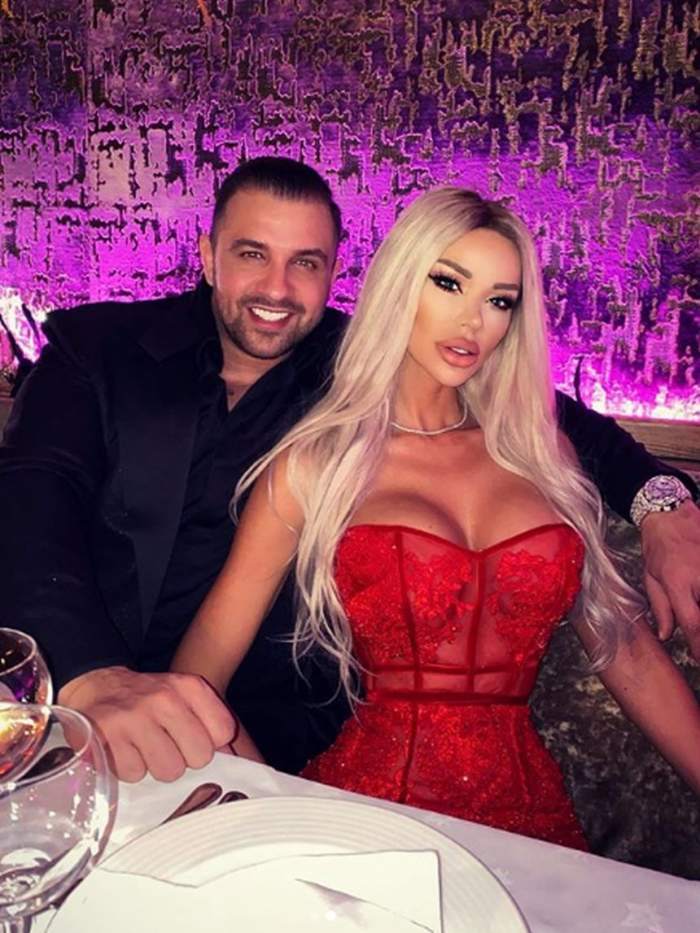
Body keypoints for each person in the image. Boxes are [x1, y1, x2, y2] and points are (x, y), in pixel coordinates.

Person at [1, 159, 698, 785]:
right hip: (77, 695)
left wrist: (661, 502)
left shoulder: (361, 362)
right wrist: (90, 673)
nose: (277, 287)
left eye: (306, 262)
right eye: (252, 254)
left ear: (336, 274)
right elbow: (30, 502)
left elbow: (550, 417)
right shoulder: (97, 349)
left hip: (269, 738)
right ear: (209, 256)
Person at [171, 187, 700, 847]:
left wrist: (664, 503)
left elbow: (625, 647)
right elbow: (197, 676)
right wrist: (278, 810)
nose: (473, 321)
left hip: (531, 823)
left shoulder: (540, 451)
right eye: (449, 283)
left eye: (499, 300)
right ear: (401, 284)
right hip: (369, 817)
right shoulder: (317, 463)